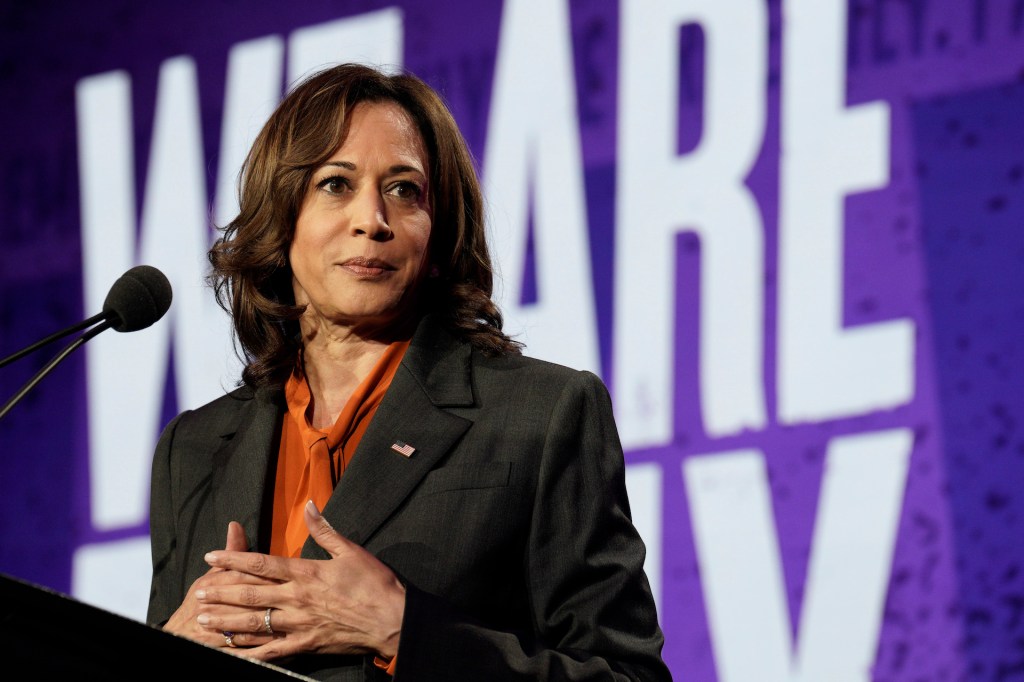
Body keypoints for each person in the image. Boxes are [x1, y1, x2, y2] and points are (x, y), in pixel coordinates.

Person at [147, 62, 670, 681]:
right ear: (280, 215)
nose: (373, 220)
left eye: (404, 190)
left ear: (439, 228)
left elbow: (628, 676)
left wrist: (401, 629)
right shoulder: (196, 449)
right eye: (336, 184)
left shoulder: (542, 414)